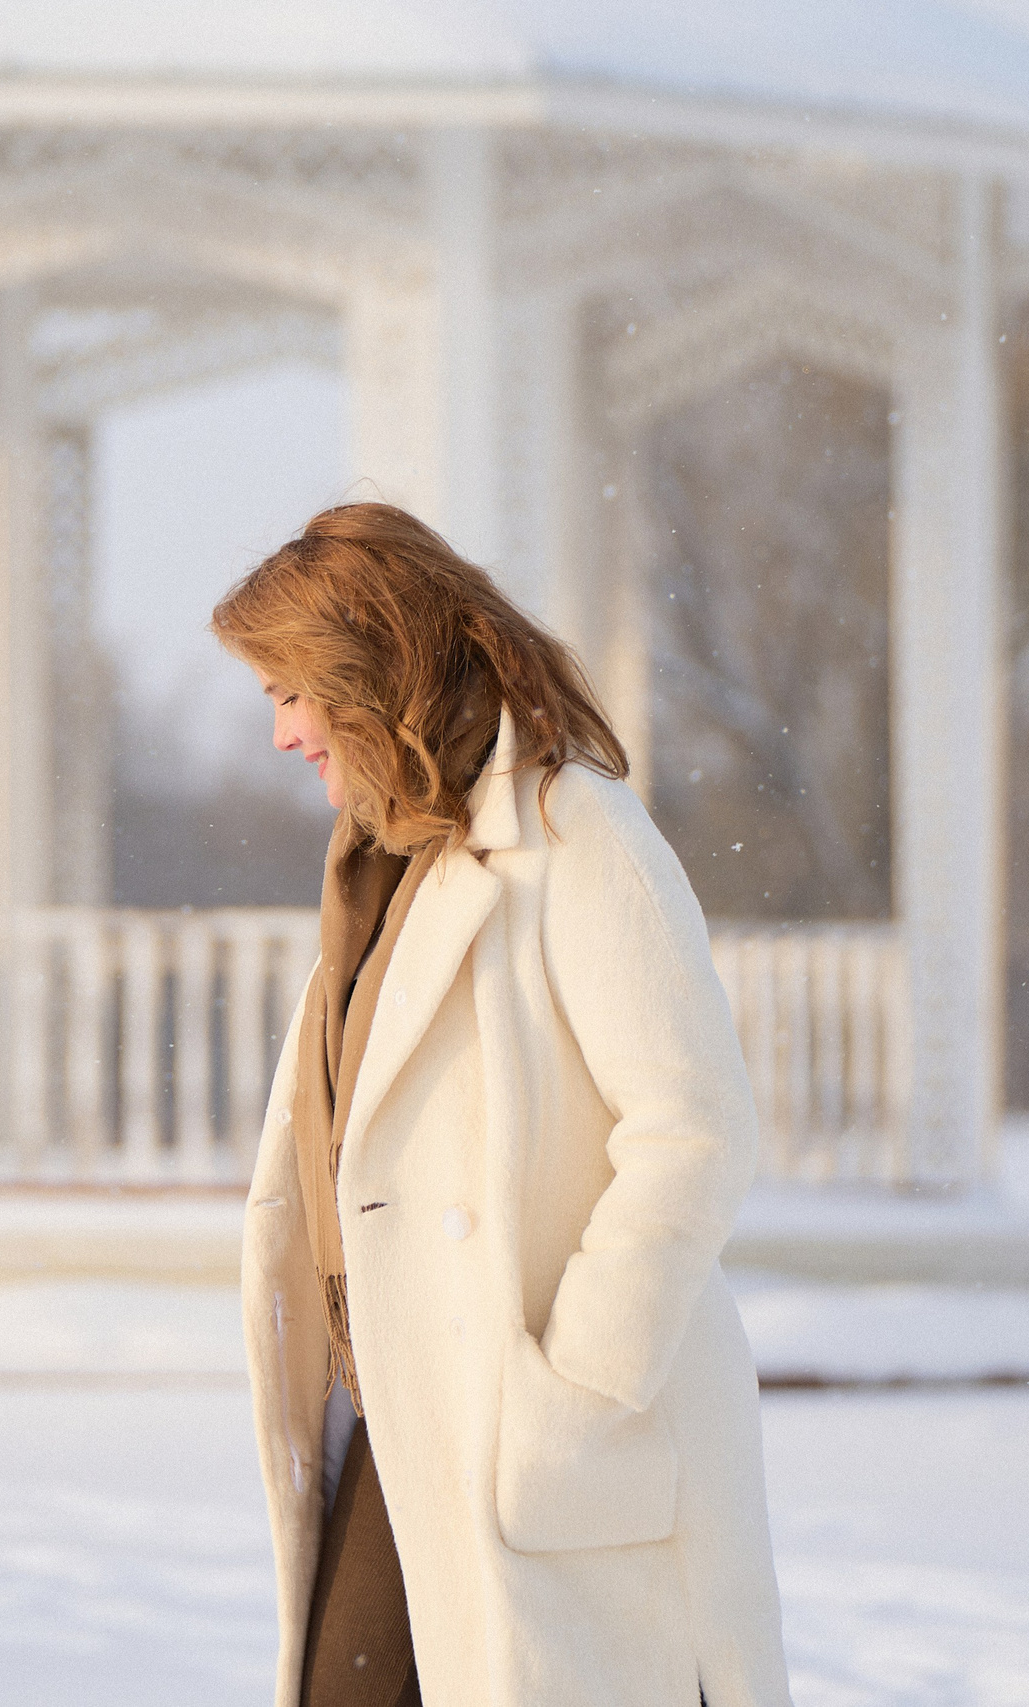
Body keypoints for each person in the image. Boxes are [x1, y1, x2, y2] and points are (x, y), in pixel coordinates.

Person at [211, 503, 792, 1707]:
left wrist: (577, 1385)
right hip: (403, 1413)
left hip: (540, 1421)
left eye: (292, 692)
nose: (280, 735)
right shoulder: (384, 865)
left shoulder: (580, 839)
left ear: (371, 671)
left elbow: (694, 1130)